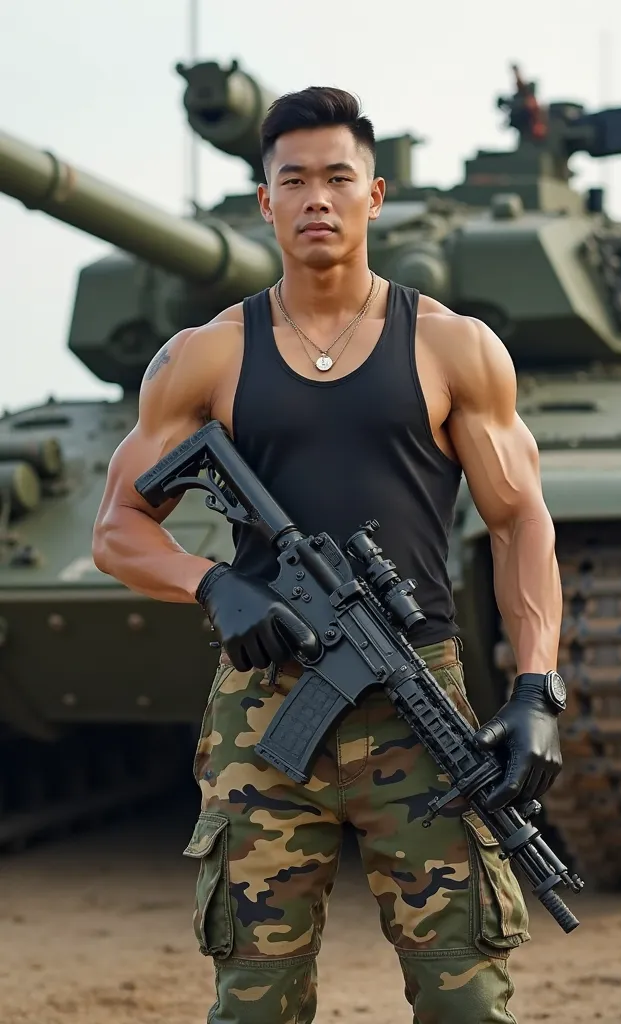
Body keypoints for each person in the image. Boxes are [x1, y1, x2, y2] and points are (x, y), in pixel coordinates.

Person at [92, 84, 564, 1024]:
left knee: (468, 993)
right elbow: (116, 528)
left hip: (419, 699)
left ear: (375, 195)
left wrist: (536, 690)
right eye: (294, 179)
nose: (317, 198)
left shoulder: (452, 346)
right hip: (266, 718)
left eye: (337, 178)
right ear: (264, 201)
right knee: (254, 999)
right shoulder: (208, 355)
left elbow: (520, 521)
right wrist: (215, 584)